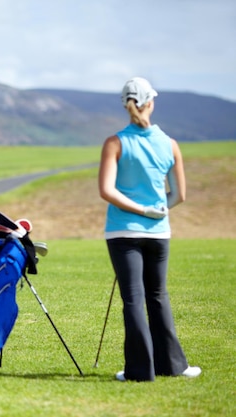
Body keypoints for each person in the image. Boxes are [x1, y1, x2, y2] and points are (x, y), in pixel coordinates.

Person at [98, 77, 201, 382]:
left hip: (122, 232)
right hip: (158, 232)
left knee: (133, 298)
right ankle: (173, 366)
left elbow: (106, 190)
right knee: (157, 295)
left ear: (126, 104)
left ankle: (140, 372)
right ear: (150, 102)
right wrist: (156, 210)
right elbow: (179, 195)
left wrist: (139, 210)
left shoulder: (114, 142)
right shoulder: (170, 144)